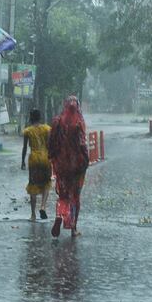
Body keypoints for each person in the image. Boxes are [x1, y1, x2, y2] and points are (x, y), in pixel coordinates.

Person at [48, 96, 89, 237]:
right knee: (75, 196)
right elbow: (82, 144)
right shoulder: (79, 123)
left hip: (61, 165)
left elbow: (51, 143)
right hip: (76, 167)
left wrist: (53, 158)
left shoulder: (57, 122)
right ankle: (73, 228)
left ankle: (59, 216)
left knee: (63, 195)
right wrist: (86, 160)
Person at [21, 109, 51, 221]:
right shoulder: (47, 129)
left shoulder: (27, 131)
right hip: (45, 158)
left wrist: (22, 161)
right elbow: (49, 145)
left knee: (33, 184)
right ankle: (43, 206)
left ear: (31, 118)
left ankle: (33, 215)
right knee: (47, 183)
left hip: (33, 159)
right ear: (40, 117)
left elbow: (24, 148)